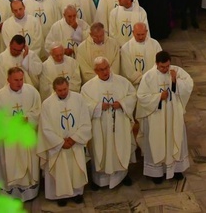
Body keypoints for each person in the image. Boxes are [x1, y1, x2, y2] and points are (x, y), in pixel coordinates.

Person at [136, 51, 194, 183]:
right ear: (156, 64)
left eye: (167, 66)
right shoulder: (148, 77)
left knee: (175, 137)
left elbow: (189, 85)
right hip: (157, 116)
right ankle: (156, 173)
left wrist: (175, 81)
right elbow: (142, 97)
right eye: (162, 67)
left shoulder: (176, 71)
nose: (165, 69)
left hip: (174, 114)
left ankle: (177, 169)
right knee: (158, 141)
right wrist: (158, 97)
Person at [81, 57, 137, 189]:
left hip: (119, 124)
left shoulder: (122, 82)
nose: (105, 72)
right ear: (95, 71)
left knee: (120, 147)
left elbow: (132, 96)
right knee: (101, 149)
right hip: (100, 126)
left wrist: (122, 103)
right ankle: (99, 180)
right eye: (101, 69)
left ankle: (122, 175)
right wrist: (99, 106)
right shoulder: (88, 87)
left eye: (107, 68)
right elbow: (84, 106)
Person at [37, 76, 91, 207]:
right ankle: (60, 195)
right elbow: (45, 128)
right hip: (57, 146)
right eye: (60, 90)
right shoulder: (47, 104)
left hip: (75, 143)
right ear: (54, 89)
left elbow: (85, 122)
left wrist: (73, 139)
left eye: (65, 89)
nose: (63, 92)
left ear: (68, 86)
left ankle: (77, 193)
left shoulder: (78, 99)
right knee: (60, 171)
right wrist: (61, 142)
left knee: (75, 169)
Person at [0, 66, 42, 201]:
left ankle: (29, 193)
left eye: (21, 79)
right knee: (10, 164)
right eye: (15, 80)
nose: (19, 83)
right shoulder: (0, 96)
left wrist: (28, 118)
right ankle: (10, 192)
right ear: (8, 79)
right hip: (10, 139)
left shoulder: (31, 91)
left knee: (28, 164)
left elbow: (38, 110)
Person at [120, 23, 162, 88]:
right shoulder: (126, 48)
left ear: (146, 32)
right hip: (134, 85)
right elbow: (127, 68)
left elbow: (160, 62)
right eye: (138, 34)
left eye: (143, 34)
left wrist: (150, 77)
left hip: (152, 81)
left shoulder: (155, 44)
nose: (140, 37)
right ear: (133, 32)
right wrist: (141, 79)